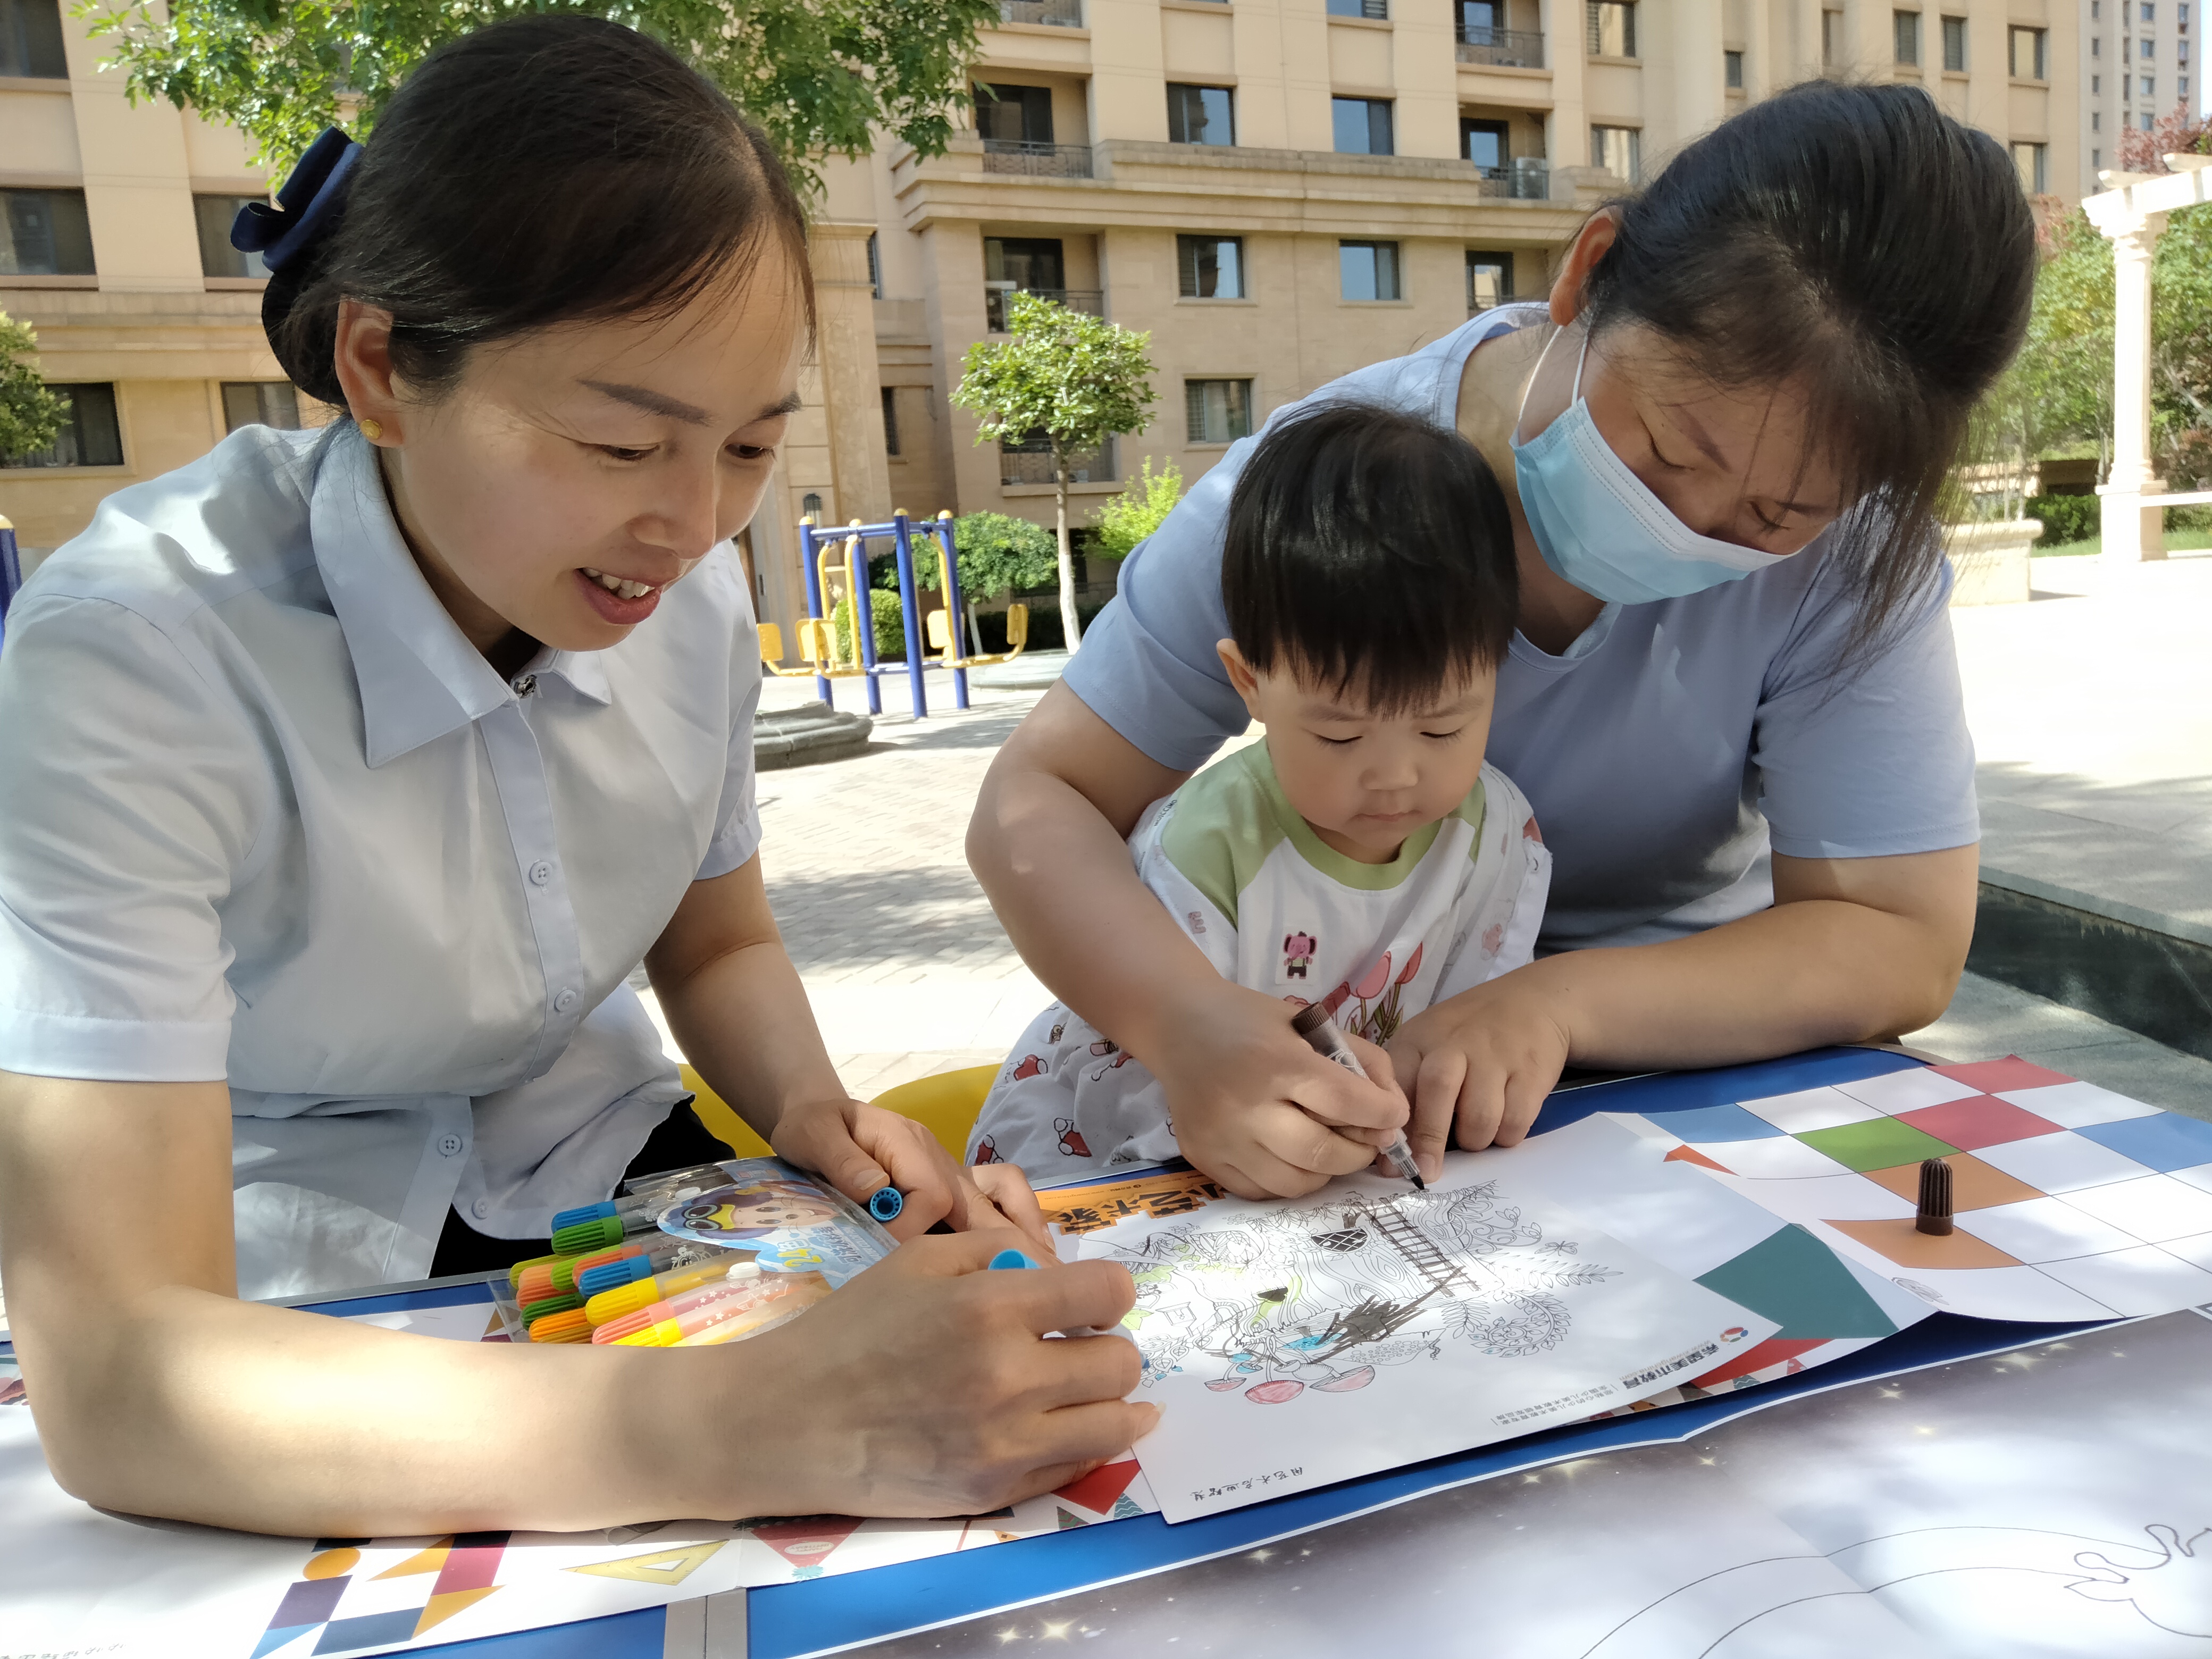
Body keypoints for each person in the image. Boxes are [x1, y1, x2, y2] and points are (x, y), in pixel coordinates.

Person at [0, 18, 1148, 1537]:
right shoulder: (139, 657)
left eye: (748, 446)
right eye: (622, 444)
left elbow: (716, 936)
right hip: (304, 1277)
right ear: (383, 364)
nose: (691, 526)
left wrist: (811, 1105)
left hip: (629, 1191)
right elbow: (127, 1377)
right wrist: (748, 1427)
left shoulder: (694, 609)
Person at [967, 80, 2035, 1200]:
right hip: (1348, 1086)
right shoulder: (1323, 500)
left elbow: (1897, 937)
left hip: (1688, 1055)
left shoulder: (1859, 556)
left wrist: (1554, 1005)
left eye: (1777, 518)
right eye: (1668, 453)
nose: (1694, 529)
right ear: (1585, 275)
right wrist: (1188, 1025)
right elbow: (1037, 802)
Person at [969, 404, 1549, 1185]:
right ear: (1251, 683)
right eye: (1339, 737)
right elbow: (1144, 1082)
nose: (1396, 775)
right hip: (1084, 1168)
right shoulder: (1207, 849)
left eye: (1443, 728)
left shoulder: (1498, 832)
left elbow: (1468, 1025)